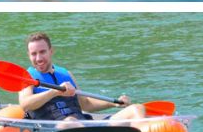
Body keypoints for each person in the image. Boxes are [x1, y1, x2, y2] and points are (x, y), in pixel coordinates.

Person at [18, 31, 147, 123]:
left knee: (136, 108)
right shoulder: (27, 78)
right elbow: (25, 104)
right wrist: (54, 92)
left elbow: (86, 104)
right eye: (34, 54)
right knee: (70, 121)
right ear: (29, 55)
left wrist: (114, 103)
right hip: (57, 129)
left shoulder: (66, 74)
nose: (39, 58)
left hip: (83, 123)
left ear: (51, 51)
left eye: (42, 52)